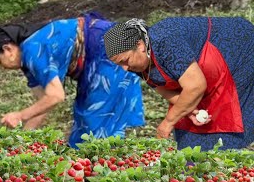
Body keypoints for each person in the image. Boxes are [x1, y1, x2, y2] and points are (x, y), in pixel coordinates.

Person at [0, 11, 145, 148]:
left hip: (108, 49)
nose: (2, 67)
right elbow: (43, 103)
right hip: (96, 57)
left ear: (8, 49)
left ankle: (103, 178)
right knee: (85, 126)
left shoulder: (33, 49)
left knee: (96, 123)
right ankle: (94, 173)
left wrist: (19, 115)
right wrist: (22, 142)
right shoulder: (27, 61)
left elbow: (56, 96)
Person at [103, 17, 254, 150]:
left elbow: (195, 86)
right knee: (190, 131)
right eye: (119, 64)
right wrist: (190, 109)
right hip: (201, 75)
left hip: (236, 50)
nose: (124, 68)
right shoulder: (136, 62)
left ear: (140, 45)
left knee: (225, 119)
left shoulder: (165, 42)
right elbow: (163, 89)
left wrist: (168, 122)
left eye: (125, 60)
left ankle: (226, 166)